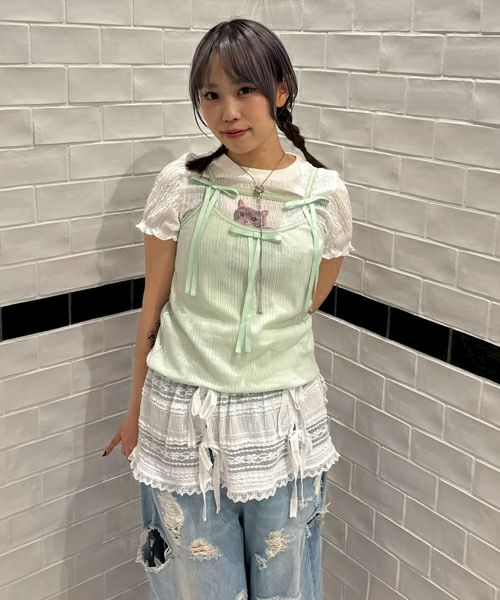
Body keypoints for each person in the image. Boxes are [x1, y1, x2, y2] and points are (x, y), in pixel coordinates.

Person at [104, 17, 354, 600]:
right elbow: (153, 309)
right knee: (199, 584)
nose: (228, 112)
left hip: (282, 423)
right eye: (211, 95)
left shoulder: (325, 197)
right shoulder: (182, 185)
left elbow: (302, 308)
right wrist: (135, 408)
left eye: (245, 90)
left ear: (281, 90)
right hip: (183, 418)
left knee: (287, 583)